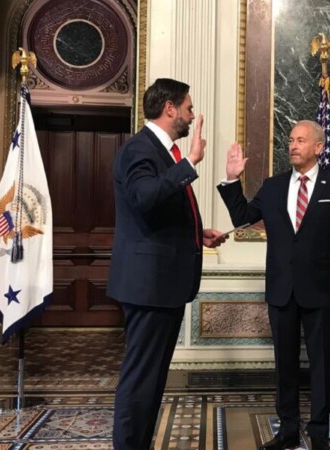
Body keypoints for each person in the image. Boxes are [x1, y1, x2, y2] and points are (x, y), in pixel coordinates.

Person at [218, 120, 330, 450]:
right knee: (284, 365)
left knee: (320, 366)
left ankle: (319, 433)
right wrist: (232, 178)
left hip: (319, 289)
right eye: (291, 140)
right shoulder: (273, 186)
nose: (293, 145)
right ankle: (288, 430)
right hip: (281, 289)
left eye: (301, 140)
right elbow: (242, 217)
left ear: (319, 148)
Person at [108, 78, 227, 450]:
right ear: (170, 108)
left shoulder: (161, 152)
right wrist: (190, 161)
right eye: (188, 108)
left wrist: (197, 233)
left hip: (161, 285)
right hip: (149, 285)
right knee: (141, 377)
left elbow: (157, 213)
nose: (191, 116)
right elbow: (144, 198)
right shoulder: (139, 150)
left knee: (153, 378)